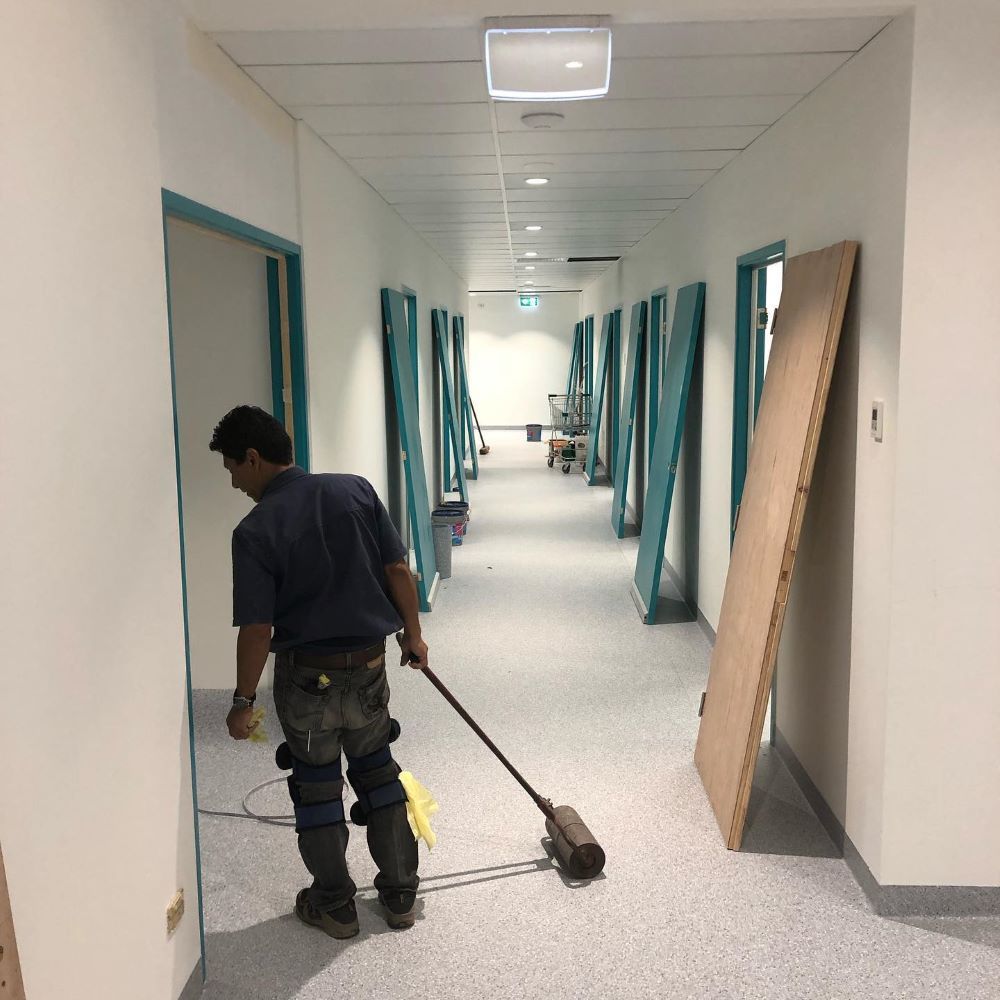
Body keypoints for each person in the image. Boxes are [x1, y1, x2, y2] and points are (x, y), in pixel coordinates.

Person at [209, 404, 428, 939]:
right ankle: (399, 895)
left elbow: (257, 628)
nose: (235, 483)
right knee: (377, 774)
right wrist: (414, 635)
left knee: (316, 787)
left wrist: (242, 702)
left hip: (308, 679)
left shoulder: (255, 529)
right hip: (371, 667)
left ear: (254, 458)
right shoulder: (355, 489)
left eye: (234, 470)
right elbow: (397, 568)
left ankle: (335, 904)